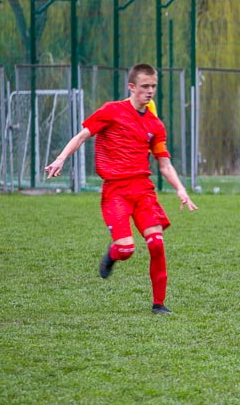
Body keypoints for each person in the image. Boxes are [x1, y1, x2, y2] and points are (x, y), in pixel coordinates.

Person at [45, 63, 198, 315]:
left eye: (153, 87)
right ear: (131, 87)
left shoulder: (155, 125)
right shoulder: (112, 111)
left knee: (157, 244)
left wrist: (181, 189)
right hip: (116, 191)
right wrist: (61, 158)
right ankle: (113, 255)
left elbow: (164, 163)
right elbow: (82, 135)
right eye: (145, 86)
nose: (150, 91)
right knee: (126, 249)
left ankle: (158, 304)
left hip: (143, 191)